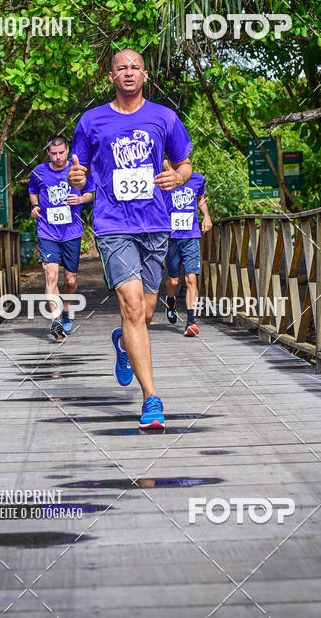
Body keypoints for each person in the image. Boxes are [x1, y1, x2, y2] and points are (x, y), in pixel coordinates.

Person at [68, 49, 193, 430]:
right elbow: (80, 170)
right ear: (111, 77)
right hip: (112, 224)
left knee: (147, 311)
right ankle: (151, 398)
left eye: (134, 67)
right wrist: (77, 178)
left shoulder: (164, 117)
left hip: (155, 223)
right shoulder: (91, 121)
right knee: (133, 305)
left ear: (145, 76)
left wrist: (178, 178)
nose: (128, 72)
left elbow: (185, 163)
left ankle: (123, 344)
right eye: (121, 67)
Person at [29, 135, 95, 340]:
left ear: (68, 150)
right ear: (48, 152)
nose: (57, 157)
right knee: (50, 275)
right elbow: (32, 190)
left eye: (61, 153)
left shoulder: (78, 170)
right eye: (53, 153)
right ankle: (56, 320)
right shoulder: (39, 172)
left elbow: (90, 193)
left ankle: (66, 311)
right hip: (47, 231)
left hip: (71, 232)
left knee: (70, 280)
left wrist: (80, 198)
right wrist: (34, 206)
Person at [163, 172, 212, 336]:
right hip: (171, 238)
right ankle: (171, 301)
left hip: (191, 236)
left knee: (191, 278)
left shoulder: (197, 179)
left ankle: (191, 321)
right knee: (174, 281)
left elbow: (201, 199)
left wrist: (206, 215)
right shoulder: (165, 178)